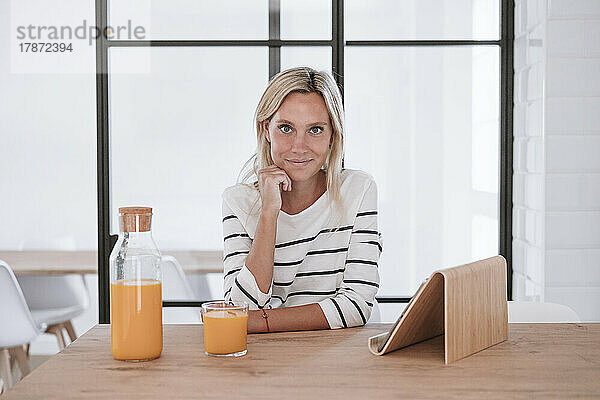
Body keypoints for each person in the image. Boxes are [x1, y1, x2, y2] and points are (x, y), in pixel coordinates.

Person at [222, 66, 382, 333]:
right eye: (286, 128)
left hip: (345, 353)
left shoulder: (358, 189)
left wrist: (262, 322)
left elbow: (356, 305)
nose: (299, 146)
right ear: (267, 130)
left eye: (315, 130)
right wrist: (269, 213)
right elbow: (242, 307)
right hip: (271, 357)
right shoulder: (237, 201)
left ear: (333, 134)